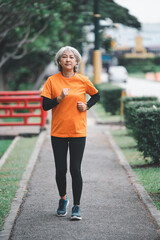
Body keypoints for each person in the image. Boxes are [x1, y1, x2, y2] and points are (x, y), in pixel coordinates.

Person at [41, 46, 100, 220]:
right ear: (59, 61)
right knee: (60, 169)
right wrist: (58, 99)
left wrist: (87, 105)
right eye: (64, 57)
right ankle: (63, 199)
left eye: (71, 57)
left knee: (75, 169)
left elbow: (96, 95)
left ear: (76, 62)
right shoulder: (52, 81)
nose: (68, 59)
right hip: (58, 132)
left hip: (78, 131)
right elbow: (45, 106)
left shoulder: (83, 80)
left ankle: (77, 206)